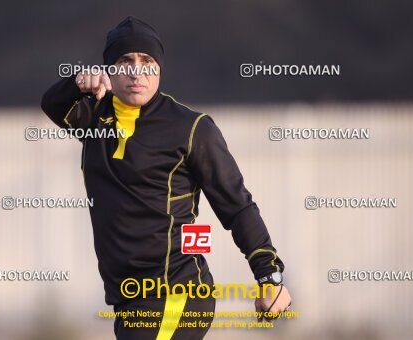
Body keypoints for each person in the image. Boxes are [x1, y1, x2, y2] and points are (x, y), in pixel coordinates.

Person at [41, 16, 291, 340]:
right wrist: (78, 81)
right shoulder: (94, 118)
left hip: (178, 294)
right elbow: (52, 103)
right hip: (128, 302)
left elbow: (237, 206)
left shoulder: (192, 128)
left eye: (147, 61)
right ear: (109, 70)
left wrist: (269, 277)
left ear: (160, 68)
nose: (136, 71)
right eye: (124, 61)